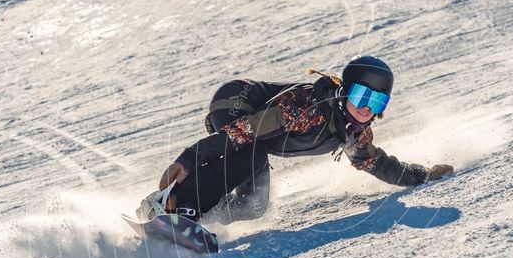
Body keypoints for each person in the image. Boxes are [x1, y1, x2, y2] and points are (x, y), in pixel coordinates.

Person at [139, 56, 454, 224]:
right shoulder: (308, 111)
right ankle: (179, 203)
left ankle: (193, 214)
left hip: (253, 132)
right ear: (345, 91)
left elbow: (378, 164)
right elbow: (242, 133)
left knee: (253, 206)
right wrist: (187, 159)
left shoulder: (354, 132)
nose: (366, 109)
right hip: (238, 101)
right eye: (360, 96)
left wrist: (421, 176)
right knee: (252, 153)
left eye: (377, 103)